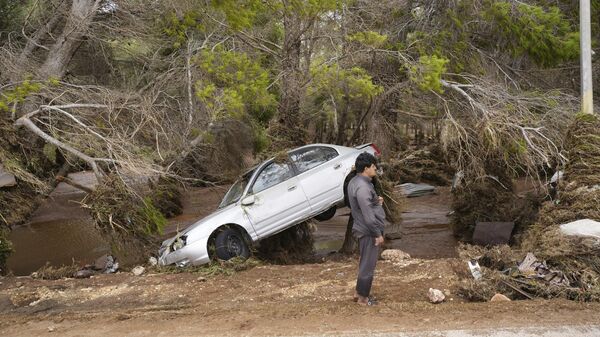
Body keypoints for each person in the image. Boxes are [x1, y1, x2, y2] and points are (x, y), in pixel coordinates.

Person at [346, 152, 385, 306]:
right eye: (373, 166)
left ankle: (358, 293)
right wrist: (377, 234)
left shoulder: (355, 182)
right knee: (368, 265)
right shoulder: (362, 187)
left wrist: (376, 201)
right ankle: (363, 298)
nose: (375, 168)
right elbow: (368, 215)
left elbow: (364, 204)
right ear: (366, 168)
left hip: (363, 228)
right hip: (368, 231)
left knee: (364, 263)